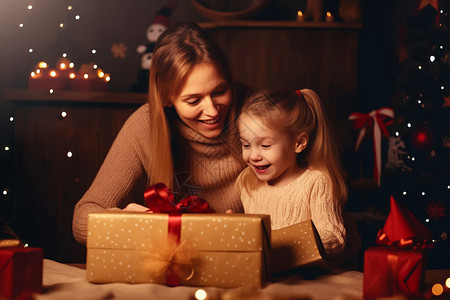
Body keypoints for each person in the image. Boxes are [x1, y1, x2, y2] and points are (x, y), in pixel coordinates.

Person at [72, 22, 250, 245]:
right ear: (166, 99)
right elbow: (81, 220)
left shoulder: (256, 109)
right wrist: (126, 224)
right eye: (194, 100)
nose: (213, 111)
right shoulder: (145, 125)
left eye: (220, 91)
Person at [235, 89, 347, 257]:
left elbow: (333, 238)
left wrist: (282, 247)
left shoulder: (316, 182)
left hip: (308, 278)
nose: (253, 156)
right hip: (267, 277)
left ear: (299, 143)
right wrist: (235, 229)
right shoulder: (248, 181)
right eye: (246, 145)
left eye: (265, 146)